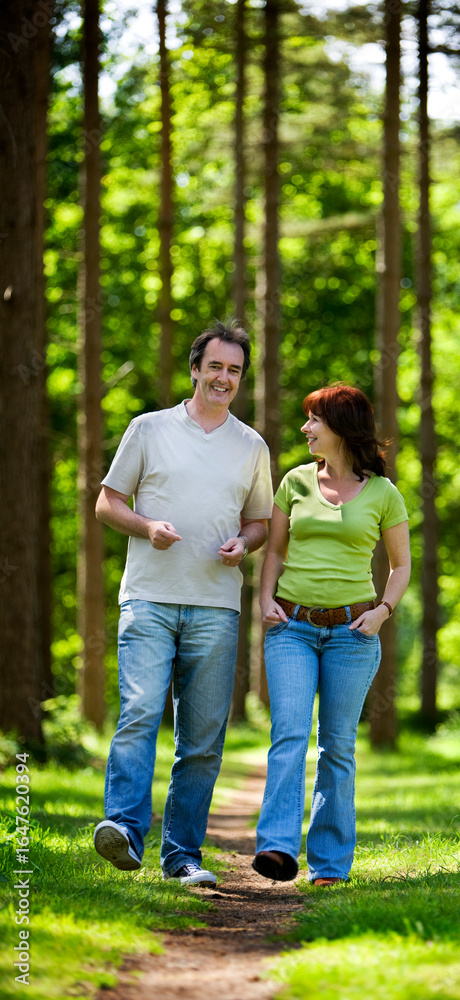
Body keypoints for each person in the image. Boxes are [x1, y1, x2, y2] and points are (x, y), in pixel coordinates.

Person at [93, 319, 273, 886]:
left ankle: (181, 856)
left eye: (234, 370)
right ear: (195, 369)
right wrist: (147, 526)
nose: (224, 377)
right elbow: (106, 503)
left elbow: (260, 521)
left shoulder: (252, 446)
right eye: (215, 366)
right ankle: (124, 831)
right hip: (148, 598)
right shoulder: (148, 429)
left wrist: (244, 543)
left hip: (216, 606)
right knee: (140, 713)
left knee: (202, 740)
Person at [252, 384, 410, 887]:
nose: (305, 428)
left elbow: (402, 565)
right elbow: (275, 551)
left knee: (337, 747)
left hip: (353, 633)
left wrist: (383, 611)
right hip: (292, 628)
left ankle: (330, 865)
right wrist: (265, 599)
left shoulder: (384, 493)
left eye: (314, 419)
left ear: (340, 427)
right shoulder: (295, 482)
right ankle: (277, 846)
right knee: (289, 734)